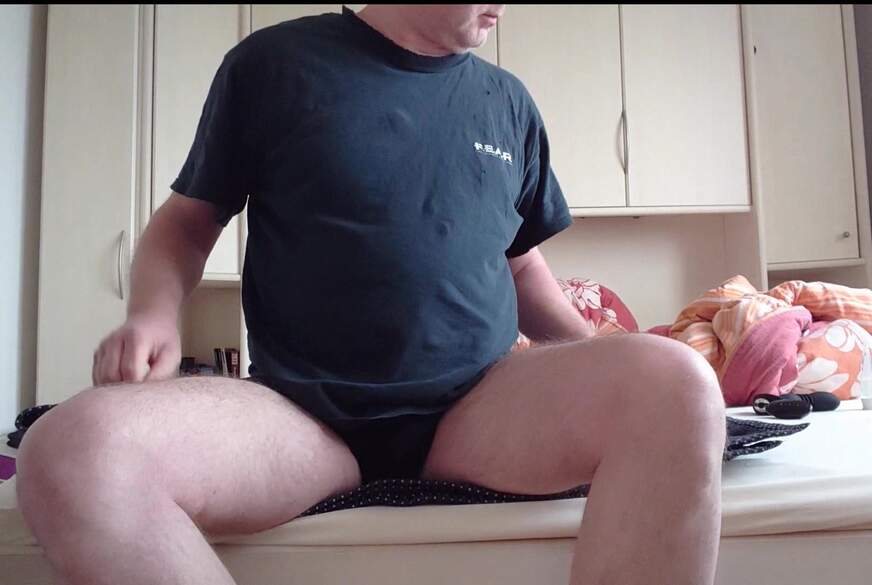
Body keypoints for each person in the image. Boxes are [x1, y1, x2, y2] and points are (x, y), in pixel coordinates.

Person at [16, 5, 725, 585]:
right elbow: (185, 224)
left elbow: (521, 267)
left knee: (678, 384)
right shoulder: (273, 66)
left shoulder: (508, 104)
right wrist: (153, 314)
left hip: (476, 412)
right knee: (71, 452)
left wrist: (596, 351)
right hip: (303, 418)